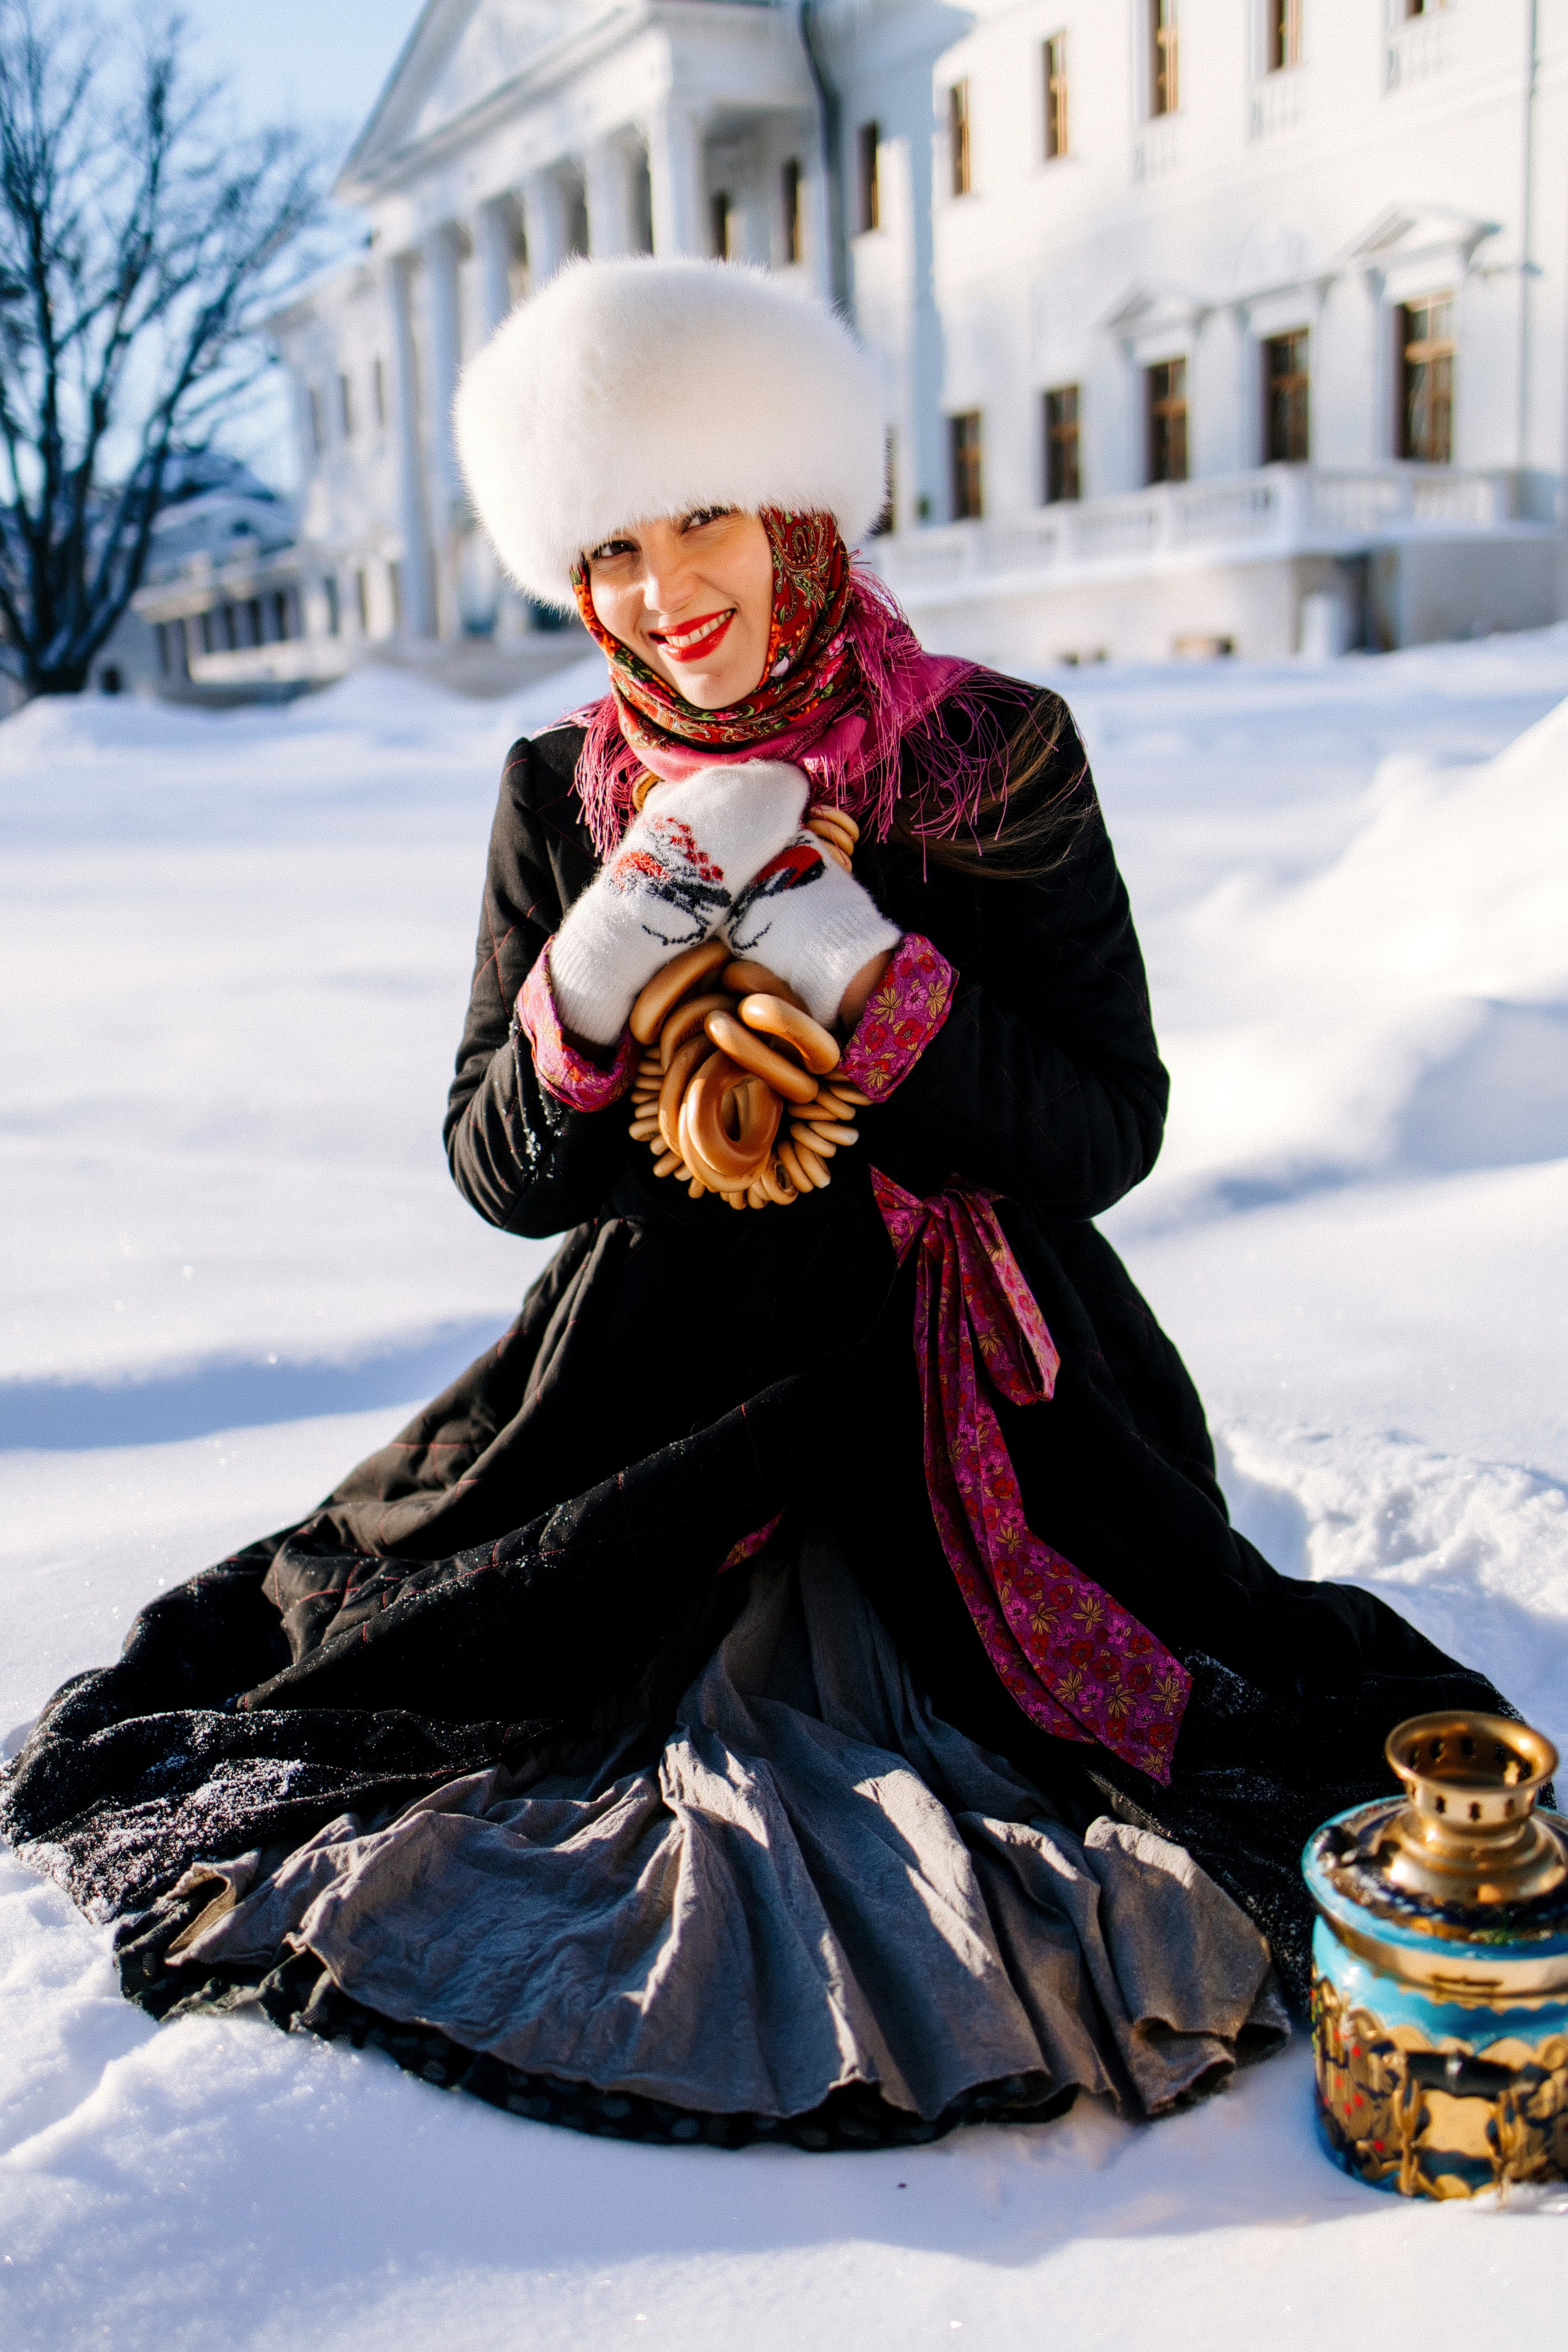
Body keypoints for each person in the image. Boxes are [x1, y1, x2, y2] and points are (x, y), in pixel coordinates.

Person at [1, 260, 1510, 2153]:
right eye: (611, 544)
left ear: (797, 506)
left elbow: (1102, 1129)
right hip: (657, 1388)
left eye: (702, 514)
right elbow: (498, 1169)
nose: (661, 589)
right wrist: (609, 951)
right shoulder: (561, 787)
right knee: (414, 1672)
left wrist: (860, 964)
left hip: (985, 1386)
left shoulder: (993, 751)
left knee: (1147, 1726)